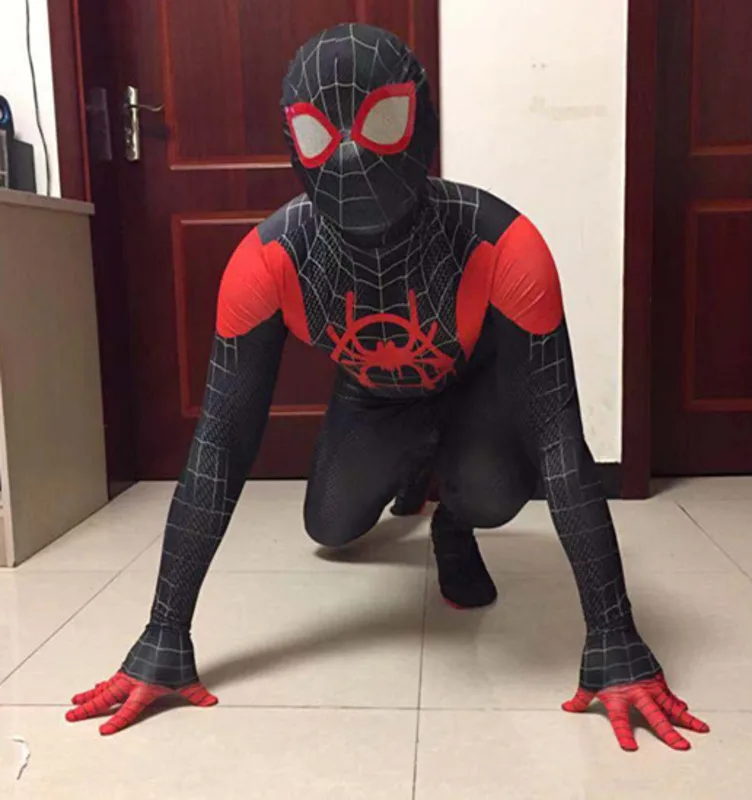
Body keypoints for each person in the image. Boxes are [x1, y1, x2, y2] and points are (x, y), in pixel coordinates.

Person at [67, 23, 708, 751]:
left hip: (471, 394)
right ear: (293, 144)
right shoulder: (268, 261)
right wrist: (164, 633)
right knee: (329, 529)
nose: (350, 155)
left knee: (495, 495)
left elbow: (560, 441)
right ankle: (412, 465)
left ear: (421, 122)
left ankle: (451, 523)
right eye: (318, 135)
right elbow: (220, 446)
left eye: (382, 121)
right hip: (371, 398)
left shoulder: (502, 242)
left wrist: (615, 636)